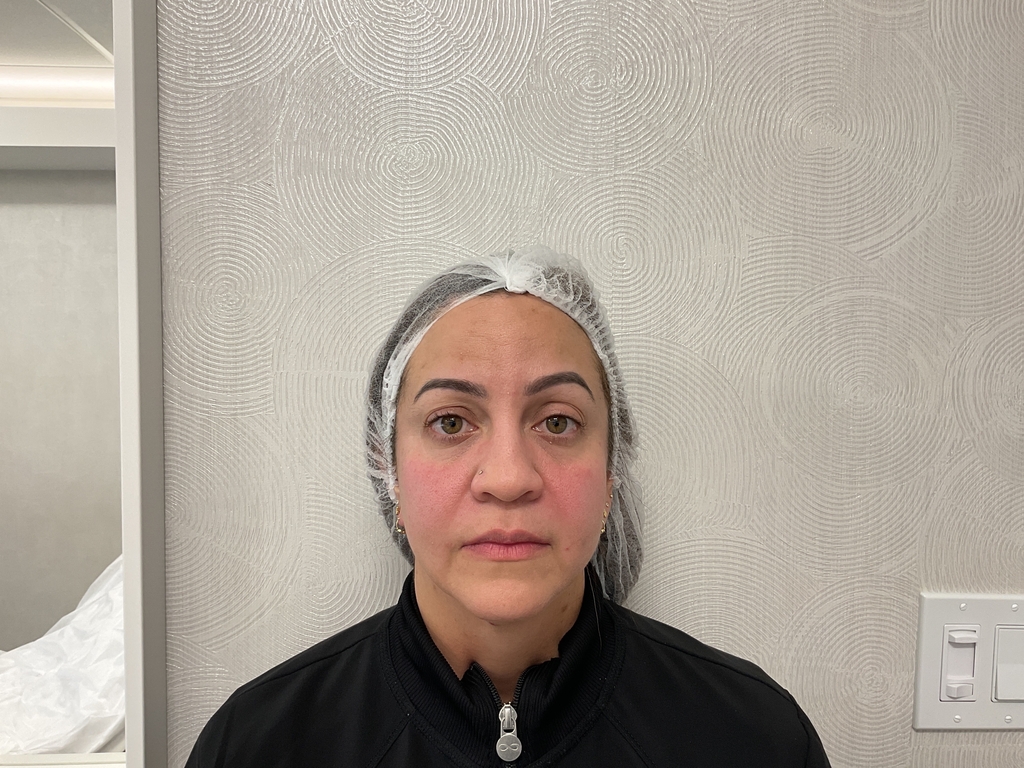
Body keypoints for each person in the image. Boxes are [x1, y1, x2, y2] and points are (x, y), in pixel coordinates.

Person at [185, 247, 831, 767]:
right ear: (389, 470)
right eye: (450, 422)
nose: (508, 478)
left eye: (557, 422)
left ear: (612, 472)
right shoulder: (258, 745)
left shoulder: (755, 741)